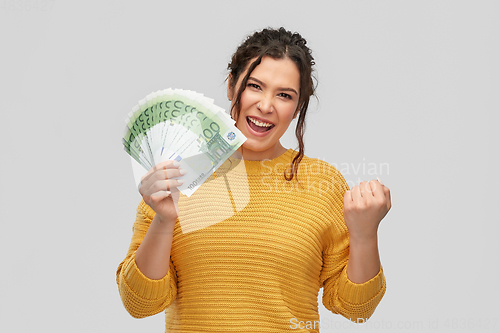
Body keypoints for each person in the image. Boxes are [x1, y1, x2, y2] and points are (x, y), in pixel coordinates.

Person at [116, 27, 391, 332]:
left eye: (284, 95)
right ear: (232, 85)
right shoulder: (179, 175)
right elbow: (139, 304)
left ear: (298, 106)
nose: (266, 105)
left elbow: (357, 309)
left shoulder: (322, 183)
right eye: (255, 87)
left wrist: (366, 236)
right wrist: (163, 220)